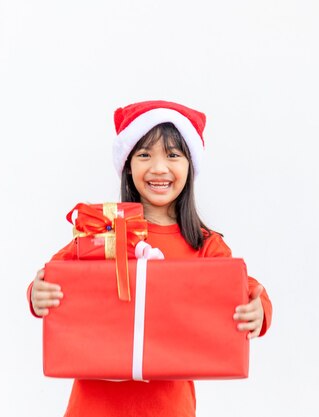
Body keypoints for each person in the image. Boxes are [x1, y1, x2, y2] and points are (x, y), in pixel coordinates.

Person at [27, 100, 273, 417]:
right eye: (145, 154)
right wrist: (36, 293)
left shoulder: (205, 245)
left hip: (169, 409)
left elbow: (246, 289)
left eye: (173, 155)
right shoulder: (101, 230)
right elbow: (53, 276)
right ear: (128, 164)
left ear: (190, 165)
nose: (158, 167)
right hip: (92, 408)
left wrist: (259, 308)